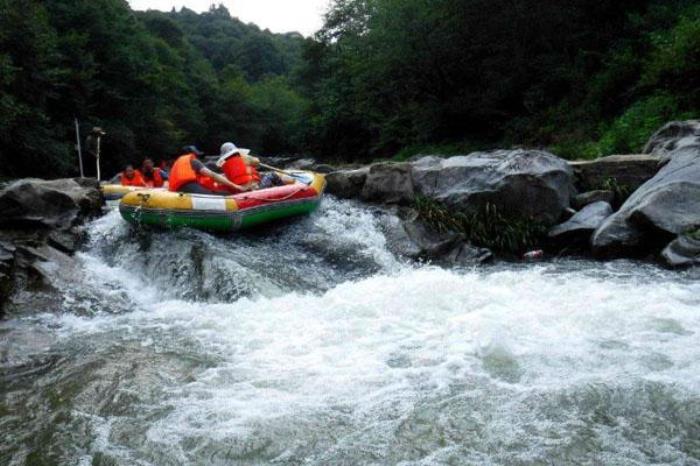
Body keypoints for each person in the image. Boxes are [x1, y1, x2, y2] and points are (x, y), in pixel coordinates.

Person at [216, 142, 293, 193]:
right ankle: (285, 191)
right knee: (272, 175)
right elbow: (257, 161)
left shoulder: (225, 166)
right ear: (236, 151)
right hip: (255, 189)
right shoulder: (244, 158)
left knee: (262, 176)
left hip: (240, 191)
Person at [168, 145, 243, 194]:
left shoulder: (178, 162)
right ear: (192, 154)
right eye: (197, 155)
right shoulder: (193, 161)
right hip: (190, 190)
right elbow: (213, 175)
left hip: (177, 192)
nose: (197, 157)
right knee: (225, 194)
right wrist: (235, 186)